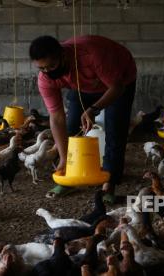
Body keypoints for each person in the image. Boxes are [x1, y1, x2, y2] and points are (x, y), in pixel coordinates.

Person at [29, 35, 137, 203]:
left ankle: (109, 184)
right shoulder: (45, 79)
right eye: (42, 68)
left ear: (62, 55)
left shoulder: (91, 55)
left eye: (51, 65)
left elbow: (117, 87)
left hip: (120, 79)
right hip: (82, 83)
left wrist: (94, 109)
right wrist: (63, 156)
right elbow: (57, 118)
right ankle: (69, 176)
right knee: (72, 126)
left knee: (115, 129)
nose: (48, 71)